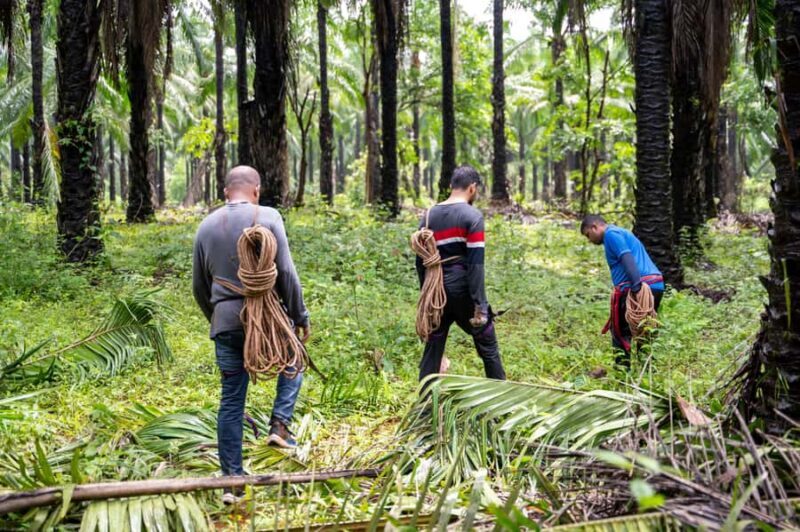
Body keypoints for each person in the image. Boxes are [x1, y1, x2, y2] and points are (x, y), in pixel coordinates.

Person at [192, 166, 310, 504]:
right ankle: (280, 426)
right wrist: (299, 315)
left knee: (231, 400)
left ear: (226, 191)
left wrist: (216, 317)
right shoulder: (269, 217)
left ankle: (231, 481)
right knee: (294, 359)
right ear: (256, 190)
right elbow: (285, 273)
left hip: (225, 322)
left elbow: (199, 286)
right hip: (268, 319)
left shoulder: (205, 226)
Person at [415, 165, 507, 383]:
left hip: (436, 292)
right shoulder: (472, 216)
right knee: (488, 345)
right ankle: (501, 404)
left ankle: (425, 407)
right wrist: (480, 305)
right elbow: (476, 265)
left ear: (450, 186)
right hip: (463, 289)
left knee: (433, 350)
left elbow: (421, 262)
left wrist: (427, 298)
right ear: (472, 188)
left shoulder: (428, 216)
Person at [580, 215, 665, 368]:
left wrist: (637, 288)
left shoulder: (611, 234)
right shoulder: (620, 232)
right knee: (644, 330)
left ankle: (622, 374)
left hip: (636, 286)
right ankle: (646, 373)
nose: (589, 239)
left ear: (595, 227)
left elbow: (626, 257)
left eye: (588, 235)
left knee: (619, 331)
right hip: (655, 284)